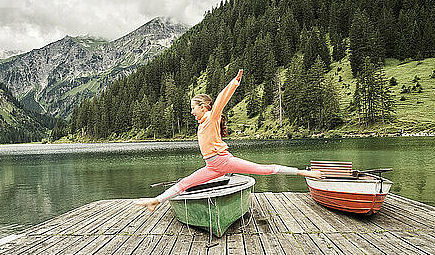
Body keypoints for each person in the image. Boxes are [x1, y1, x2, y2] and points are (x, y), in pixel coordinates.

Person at [135, 69, 323, 212]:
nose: (191, 112)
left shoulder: (211, 116)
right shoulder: (202, 123)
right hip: (212, 167)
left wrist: (235, 82)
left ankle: (305, 174)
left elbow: (220, 100)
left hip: (224, 161)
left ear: (204, 107)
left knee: (263, 169)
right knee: (185, 183)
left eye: (194, 108)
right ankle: (155, 201)